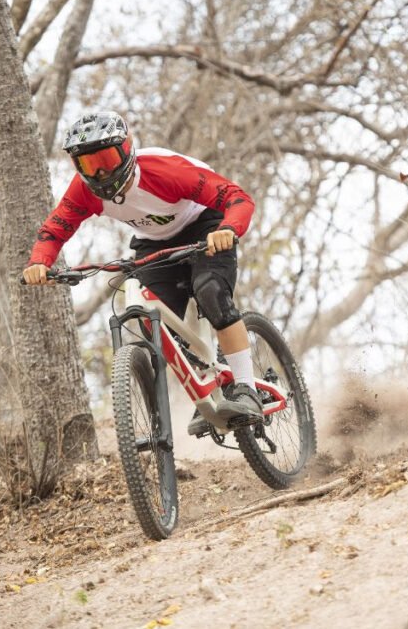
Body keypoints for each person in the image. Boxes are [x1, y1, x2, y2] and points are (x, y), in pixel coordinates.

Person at [21, 111, 261, 433]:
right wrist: (39, 262)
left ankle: (247, 389)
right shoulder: (84, 190)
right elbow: (55, 229)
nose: (102, 171)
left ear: (127, 149)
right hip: (154, 242)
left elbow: (237, 197)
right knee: (156, 328)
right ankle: (209, 388)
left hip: (206, 224)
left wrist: (228, 228)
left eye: (106, 158)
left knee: (210, 290)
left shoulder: (165, 171)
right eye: (90, 165)